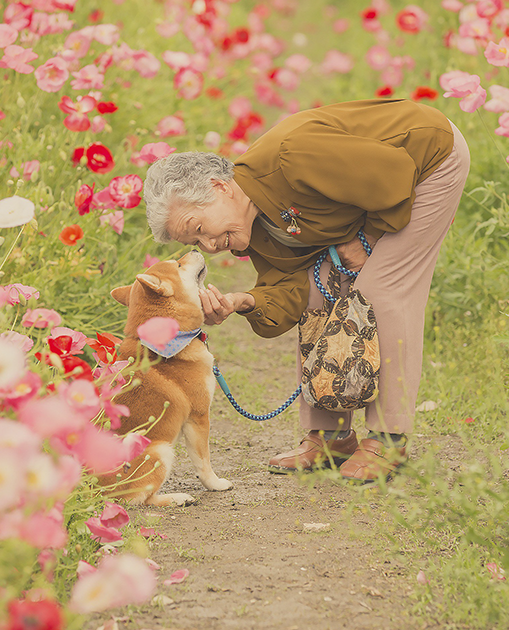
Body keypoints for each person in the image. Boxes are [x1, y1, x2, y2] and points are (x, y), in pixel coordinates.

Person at [143, 98, 470, 483]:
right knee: (320, 294)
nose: (210, 246)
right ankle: (331, 436)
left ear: (219, 187)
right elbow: (293, 287)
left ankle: (388, 440)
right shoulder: (251, 230)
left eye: (199, 228)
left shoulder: (292, 157)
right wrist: (243, 301)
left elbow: (396, 174)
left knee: (381, 290)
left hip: (427, 163)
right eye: (196, 243)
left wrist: (368, 237)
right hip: (375, 193)